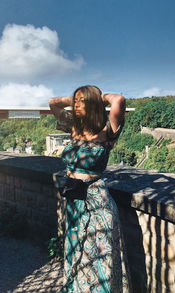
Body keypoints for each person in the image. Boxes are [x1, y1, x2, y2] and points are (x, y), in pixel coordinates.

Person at [49, 85, 131, 292]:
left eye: (82, 101)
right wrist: (75, 99)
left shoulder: (107, 131)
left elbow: (118, 100)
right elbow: (53, 103)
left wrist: (97, 98)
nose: (76, 105)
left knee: (97, 251)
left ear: (93, 103)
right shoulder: (73, 127)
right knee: (76, 247)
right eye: (75, 102)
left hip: (95, 197)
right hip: (73, 197)